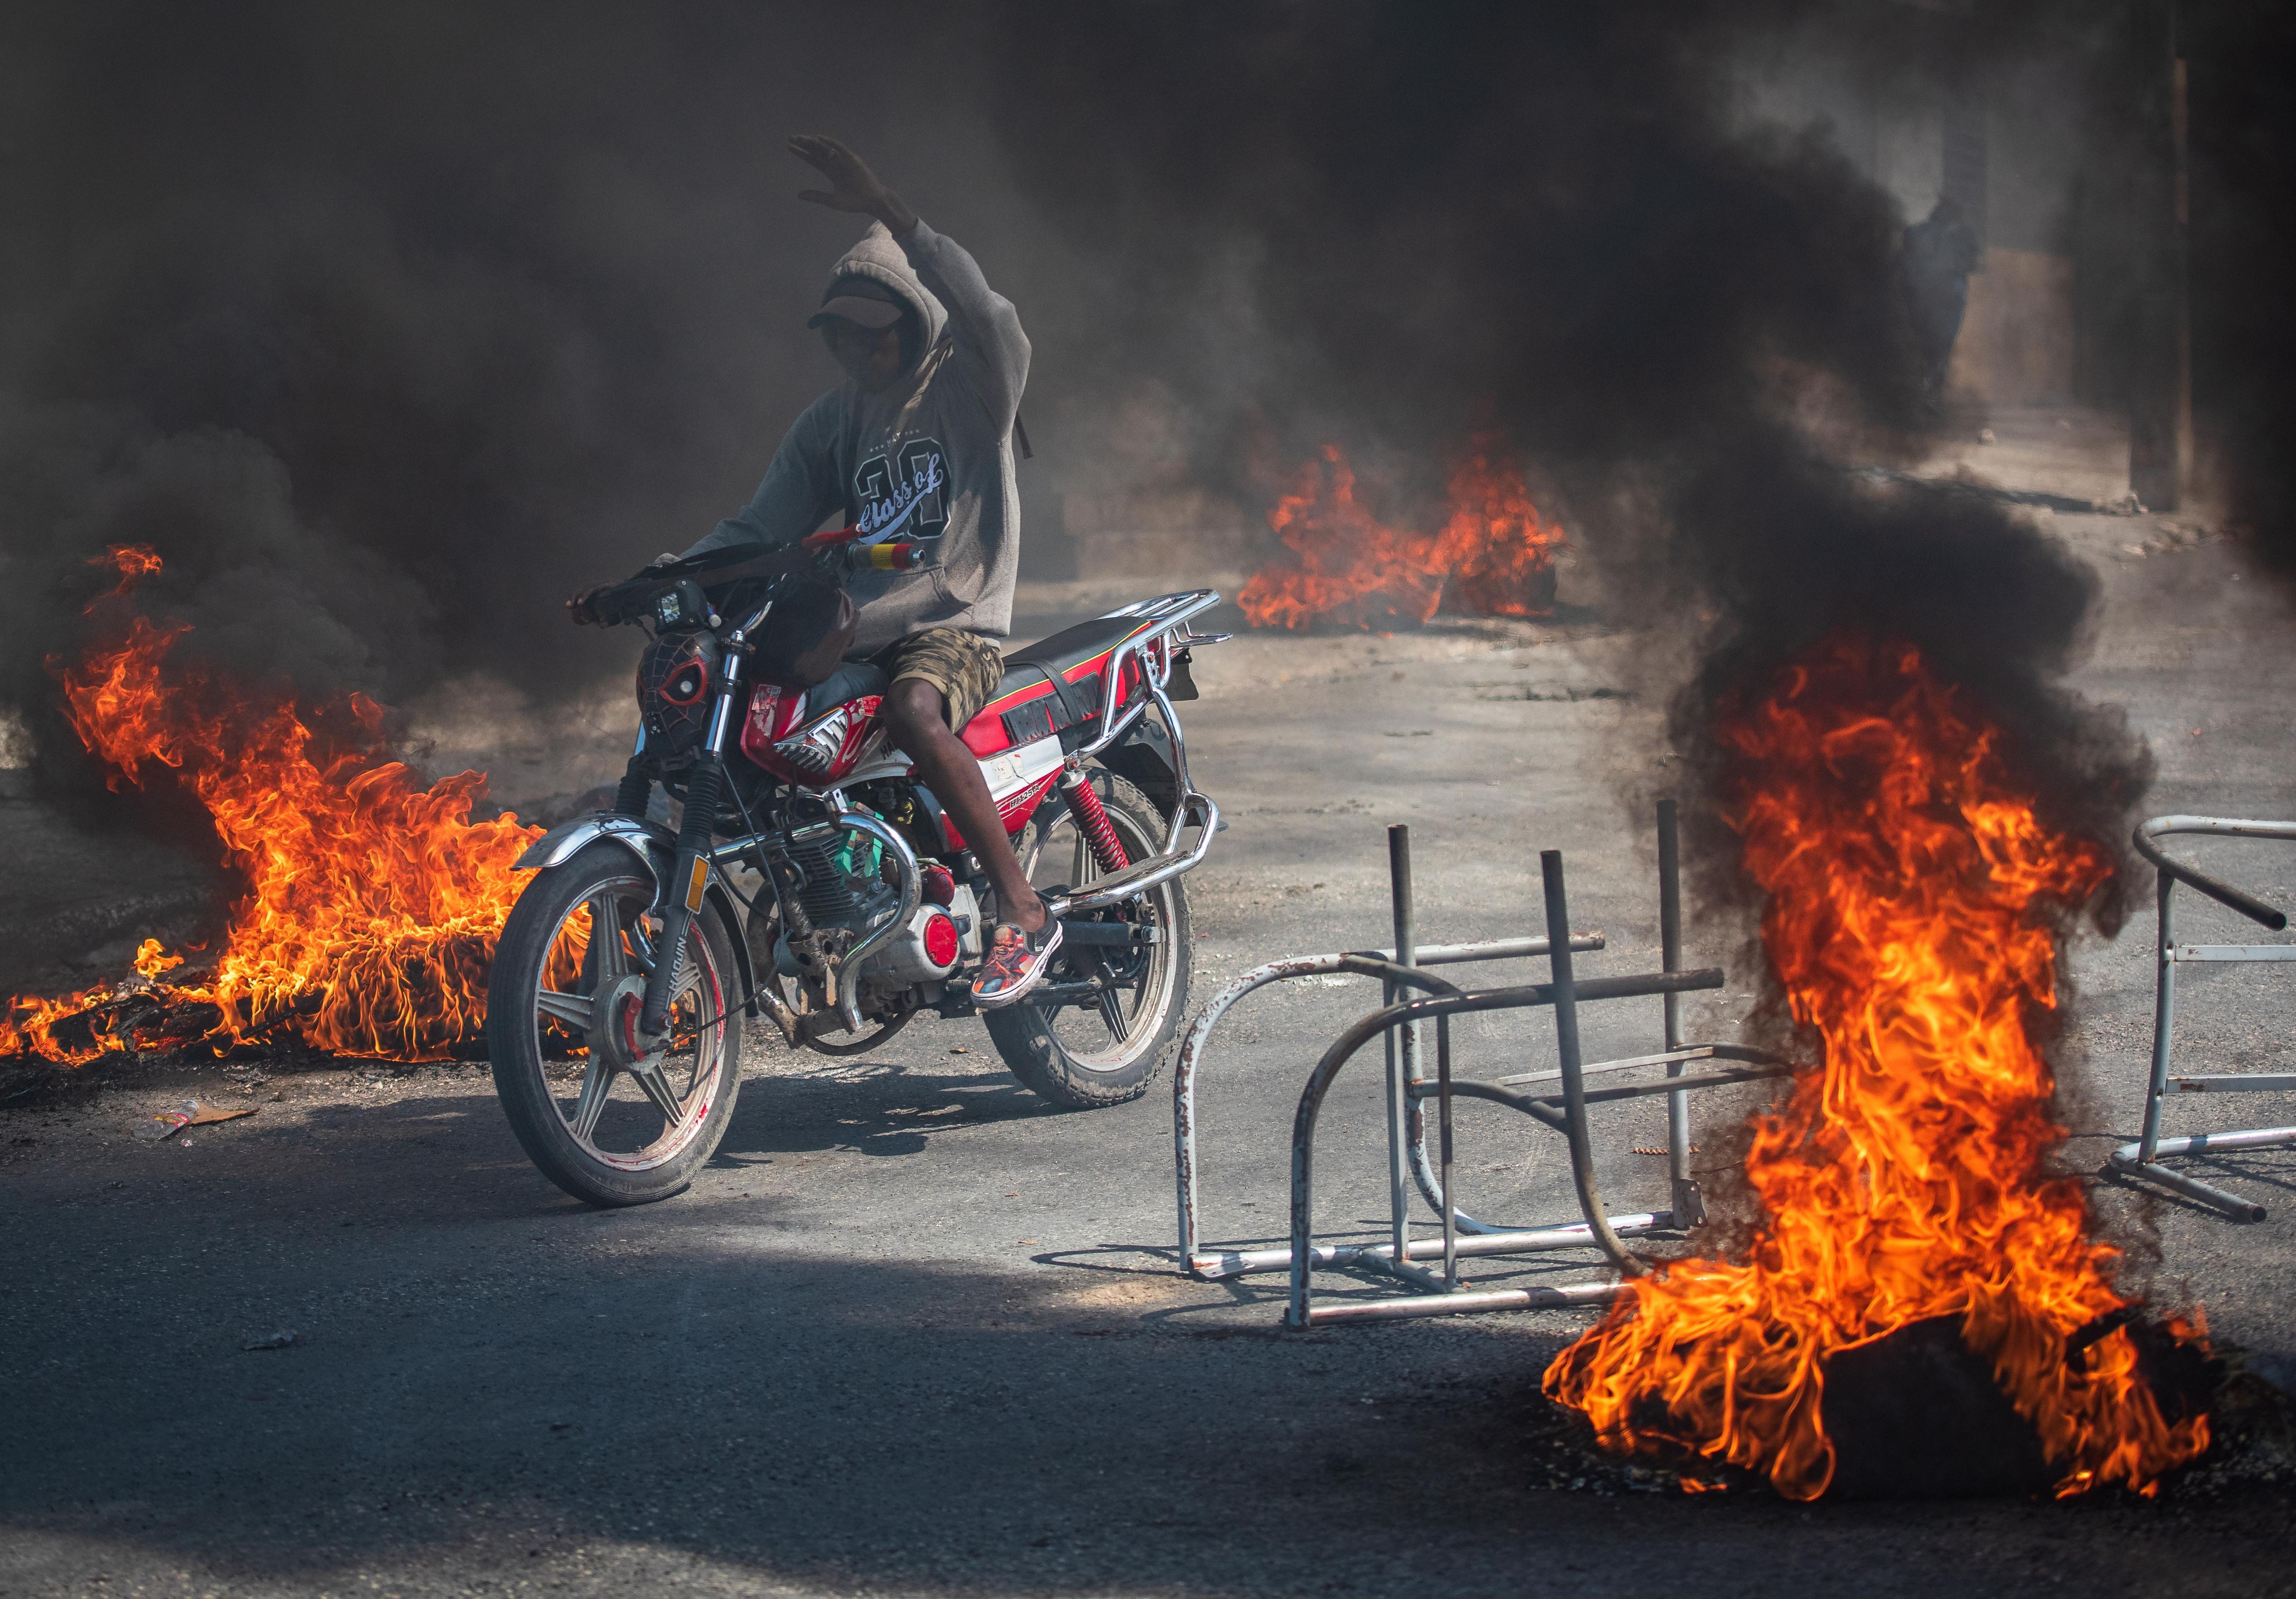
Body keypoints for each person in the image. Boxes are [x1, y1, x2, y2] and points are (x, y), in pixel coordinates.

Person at [572, 134, 1059, 1006]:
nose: (861, 353)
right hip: (858, 628)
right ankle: (827, 904)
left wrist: (900, 215)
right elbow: (758, 525)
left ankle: (1021, 907)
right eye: (843, 336)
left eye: (878, 335)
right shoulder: (832, 421)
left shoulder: (971, 382)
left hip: (953, 625)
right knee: (759, 718)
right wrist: (651, 580)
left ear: (915, 317)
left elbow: (987, 309)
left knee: (915, 707)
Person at [1903, 195, 1982, 406]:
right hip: (1945, 298)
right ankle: (1930, 396)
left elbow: (1907, 268)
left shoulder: (1917, 233)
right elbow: (1973, 264)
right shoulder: (1962, 235)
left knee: (1925, 347)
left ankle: (1925, 395)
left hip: (1923, 298)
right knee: (1940, 348)